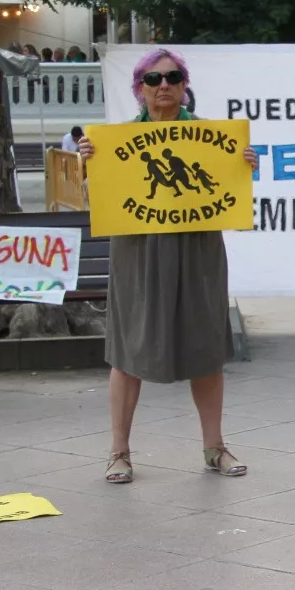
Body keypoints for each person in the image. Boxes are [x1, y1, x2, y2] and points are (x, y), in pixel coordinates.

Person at [77, 47, 258, 483]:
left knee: (206, 349)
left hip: (197, 250)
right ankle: (118, 452)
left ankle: (215, 448)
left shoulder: (212, 137)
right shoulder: (114, 141)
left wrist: (245, 168)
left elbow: (228, 194)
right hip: (137, 253)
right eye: (154, 80)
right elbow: (94, 201)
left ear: (184, 85)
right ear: (139, 89)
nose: (164, 86)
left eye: (173, 77)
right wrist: (89, 168)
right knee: (127, 350)